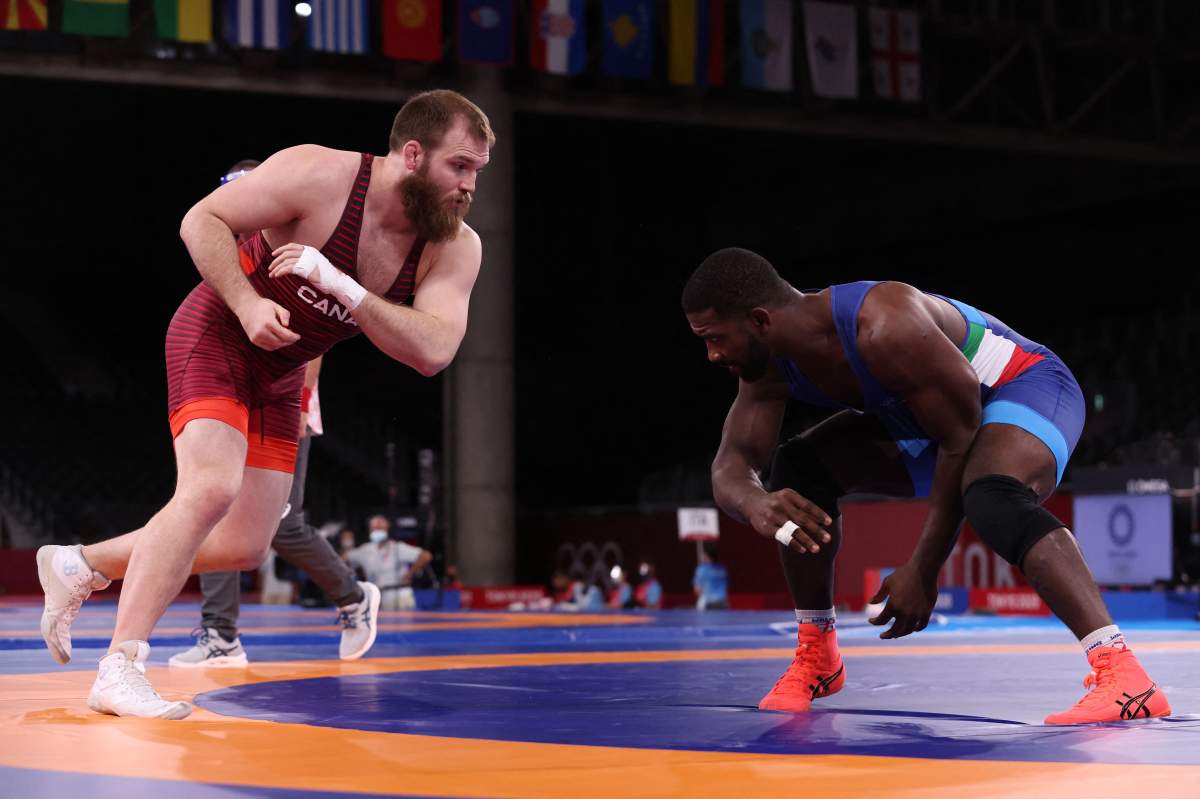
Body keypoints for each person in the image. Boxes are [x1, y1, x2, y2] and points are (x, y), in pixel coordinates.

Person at [36, 89, 493, 719]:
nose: (470, 186)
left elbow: (434, 350)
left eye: (478, 172)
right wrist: (248, 303)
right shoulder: (322, 174)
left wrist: (340, 285)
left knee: (247, 545)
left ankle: (80, 564)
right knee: (210, 488)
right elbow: (201, 219)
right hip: (220, 329)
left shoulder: (455, 245)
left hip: (284, 371)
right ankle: (120, 665)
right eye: (460, 167)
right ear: (412, 154)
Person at [682, 247, 1170, 725]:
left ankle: (1125, 673)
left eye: (715, 338)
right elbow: (731, 466)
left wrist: (923, 568)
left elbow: (959, 441)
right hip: (926, 419)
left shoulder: (884, 322)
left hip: (1020, 386)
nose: (712, 354)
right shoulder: (765, 367)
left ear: (761, 320)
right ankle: (817, 656)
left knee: (991, 493)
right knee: (799, 468)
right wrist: (756, 501)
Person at [168, 161, 381, 669]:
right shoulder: (228, 251)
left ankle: (353, 597)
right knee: (211, 505)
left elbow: (313, 334)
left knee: (282, 525)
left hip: (286, 401)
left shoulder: (290, 241)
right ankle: (221, 636)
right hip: (234, 394)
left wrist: (304, 401)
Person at [346, 515, 433, 610]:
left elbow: (426, 556)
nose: (377, 531)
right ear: (369, 530)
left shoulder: (397, 547)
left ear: (387, 529)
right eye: (374, 528)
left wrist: (409, 574)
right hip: (378, 600)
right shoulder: (365, 550)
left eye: (380, 528)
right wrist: (347, 543)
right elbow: (343, 560)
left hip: (400, 596)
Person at [692, 543, 729, 610]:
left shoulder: (701, 569)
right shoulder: (723, 569)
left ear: (706, 556)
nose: (701, 556)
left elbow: (697, 590)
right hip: (723, 603)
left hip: (708, 604)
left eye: (703, 554)